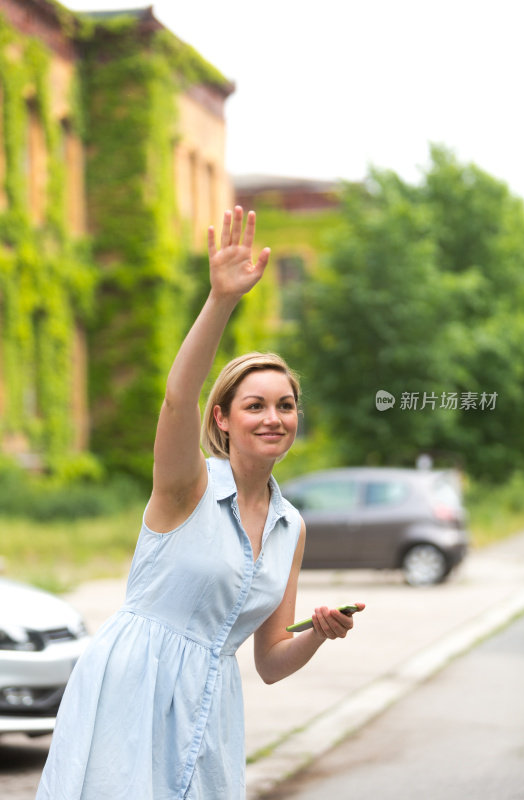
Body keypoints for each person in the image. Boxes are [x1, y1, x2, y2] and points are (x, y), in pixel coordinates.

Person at [36, 207, 362, 800]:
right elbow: (177, 399)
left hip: (213, 707)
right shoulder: (187, 486)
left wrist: (319, 632)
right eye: (255, 405)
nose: (273, 417)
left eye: (286, 405)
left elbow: (270, 662)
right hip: (131, 687)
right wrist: (221, 300)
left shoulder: (292, 526)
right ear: (223, 418)